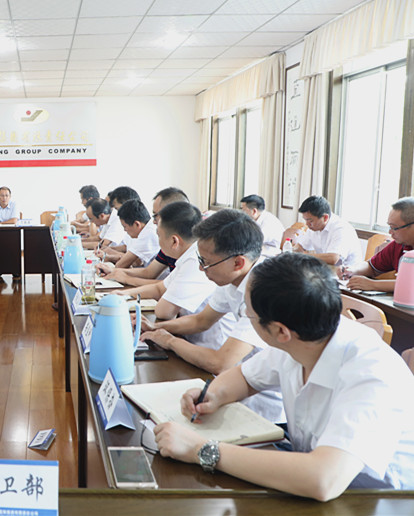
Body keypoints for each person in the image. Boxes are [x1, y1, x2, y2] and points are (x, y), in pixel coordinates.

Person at [154, 253, 414, 500]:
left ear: (280, 331)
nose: (246, 318)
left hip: (377, 499)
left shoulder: (373, 375)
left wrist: (200, 449)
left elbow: (323, 479)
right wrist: (212, 395)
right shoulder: (304, 335)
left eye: (248, 314)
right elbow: (244, 377)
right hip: (307, 473)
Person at [140, 209, 284, 421]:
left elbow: (220, 362)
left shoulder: (262, 293)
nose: (201, 268)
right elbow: (201, 320)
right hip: (238, 386)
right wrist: (157, 328)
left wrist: (169, 341)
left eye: (206, 263)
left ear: (238, 263)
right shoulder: (233, 279)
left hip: (266, 408)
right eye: (200, 259)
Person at [119, 202, 234, 345]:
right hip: (189, 338)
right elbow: (159, 288)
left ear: (174, 241)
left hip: (209, 345)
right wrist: (122, 295)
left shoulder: (194, 260)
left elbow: (164, 311)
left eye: (159, 236)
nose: (158, 241)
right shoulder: (187, 255)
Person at [100, 187, 189, 286]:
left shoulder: (191, 249)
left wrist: (125, 278)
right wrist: (114, 272)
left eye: (156, 215)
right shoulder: (168, 241)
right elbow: (149, 272)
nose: (154, 221)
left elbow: (166, 286)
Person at [345, 197, 414, 292]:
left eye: (394, 227)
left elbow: (410, 284)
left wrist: (372, 284)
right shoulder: (398, 245)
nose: (390, 232)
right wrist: (352, 270)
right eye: (389, 226)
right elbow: (372, 267)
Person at [293, 195, 361, 267]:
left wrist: (305, 256)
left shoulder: (341, 228)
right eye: (305, 220)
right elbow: (300, 246)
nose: (307, 224)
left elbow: (333, 258)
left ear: (325, 218)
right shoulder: (313, 228)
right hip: (326, 269)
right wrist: (292, 251)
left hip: (347, 271)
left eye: (310, 221)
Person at [108, 199, 159, 268]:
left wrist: (109, 256)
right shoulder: (147, 228)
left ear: (137, 224)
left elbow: (121, 265)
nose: (124, 230)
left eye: (125, 227)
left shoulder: (148, 233)